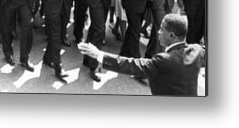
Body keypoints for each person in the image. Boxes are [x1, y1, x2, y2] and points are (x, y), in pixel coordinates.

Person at [78, 13, 206, 96]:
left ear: (172, 35)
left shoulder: (164, 60)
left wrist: (98, 54)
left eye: (161, 29)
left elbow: (131, 65)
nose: (158, 31)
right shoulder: (197, 51)